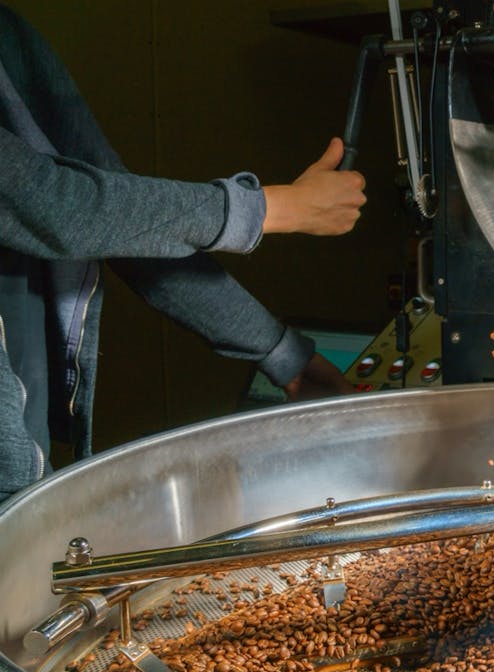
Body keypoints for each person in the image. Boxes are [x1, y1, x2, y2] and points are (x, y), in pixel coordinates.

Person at [0, 4, 368, 501]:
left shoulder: (10, 36)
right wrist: (270, 208)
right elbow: (56, 207)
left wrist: (282, 354)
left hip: (19, 452)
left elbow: (122, 223)